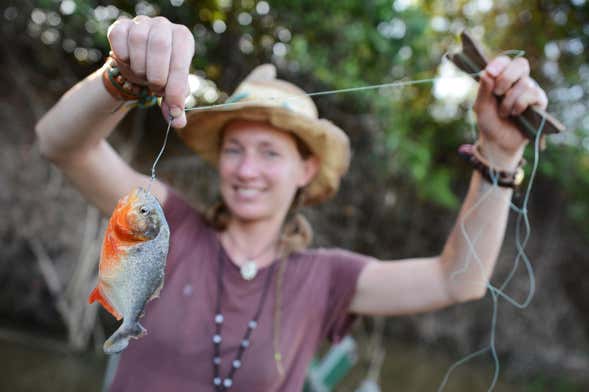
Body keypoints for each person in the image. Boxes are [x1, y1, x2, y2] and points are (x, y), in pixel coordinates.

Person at [35, 15, 548, 392]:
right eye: (234, 149)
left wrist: (499, 156)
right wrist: (118, 79)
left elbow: (457, 280)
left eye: (269, 153)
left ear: (306, 170)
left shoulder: (326, 278)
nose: (246, 169)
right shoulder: (170, 228)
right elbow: (62, 144)